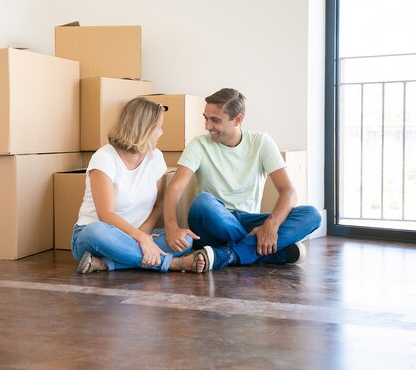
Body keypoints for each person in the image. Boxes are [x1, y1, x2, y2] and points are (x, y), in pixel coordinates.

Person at [163, 88, 321, 270]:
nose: (207, 126)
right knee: (202, 202)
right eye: (205, 118)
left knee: (311, 215)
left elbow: (289, 192)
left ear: (238, 119)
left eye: (215, 120)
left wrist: (271, 224)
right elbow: (174, 189)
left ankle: (229, 254)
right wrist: (171, 227)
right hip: (212, 220)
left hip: (248, 221)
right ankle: (270, 252)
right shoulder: (199, 144)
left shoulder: (261, 143)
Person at [72, 97, 208, 274]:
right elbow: (106, 215)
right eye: (159, 127)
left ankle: (105, 264)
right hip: (94, 236)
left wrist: (143, 236)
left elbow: (159, 204)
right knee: (95, 231)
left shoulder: (156, 157)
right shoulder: (104, 158)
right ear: (144, 128)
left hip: (136, 235)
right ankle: (173, 264)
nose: (161, 133)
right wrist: (141, 238)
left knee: (184, 241)